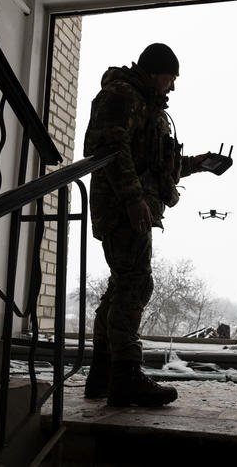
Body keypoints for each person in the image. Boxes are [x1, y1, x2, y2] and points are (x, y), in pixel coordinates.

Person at [82, 43, 213, 407]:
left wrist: (199, 164)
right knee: (135, 283)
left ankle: (104, 374)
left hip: (132, 205)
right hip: (123, 208)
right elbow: (112, 149)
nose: (171, 87)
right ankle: (125, 375)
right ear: (156, 72)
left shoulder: (145, 105)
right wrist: (133, 198)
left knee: (121, 285)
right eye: (170, 78)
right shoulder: (122, 95)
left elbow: (156, 164)